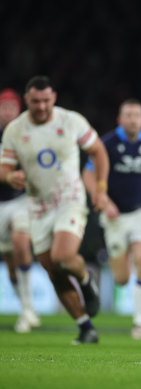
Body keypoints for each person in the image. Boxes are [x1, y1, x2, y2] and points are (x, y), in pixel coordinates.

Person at [0, 76, 108, 344]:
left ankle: (85, 281)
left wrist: (101, 188)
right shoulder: (15, 129)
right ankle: (85, 326)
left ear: (54, 98)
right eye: (36, 101)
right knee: (53, 269)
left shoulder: (71, 121)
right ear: (27, 100)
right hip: (37, 206)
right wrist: (9, 177)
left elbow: (98, 151)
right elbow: (4, 167)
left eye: (46, 101)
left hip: (69, 199)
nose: (41, 107)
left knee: (62, 255)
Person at [83, 99, 141, 340]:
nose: (133, 119)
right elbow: (88, 172)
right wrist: (102, 199)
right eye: (128, 115)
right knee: (121, 279)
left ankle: (139, 324)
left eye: (137, 115)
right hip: (114, 215)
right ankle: (112, 272)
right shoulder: (107, 143)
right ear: (120, 119)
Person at [0, 88, 40, 333]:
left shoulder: (27, 134)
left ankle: (28, 310)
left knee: (21, 243)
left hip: (20, 200)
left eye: (11, 108)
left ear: (19, 110)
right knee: (11, 263)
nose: (7, 113)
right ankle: (24, 305)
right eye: (3, 108)